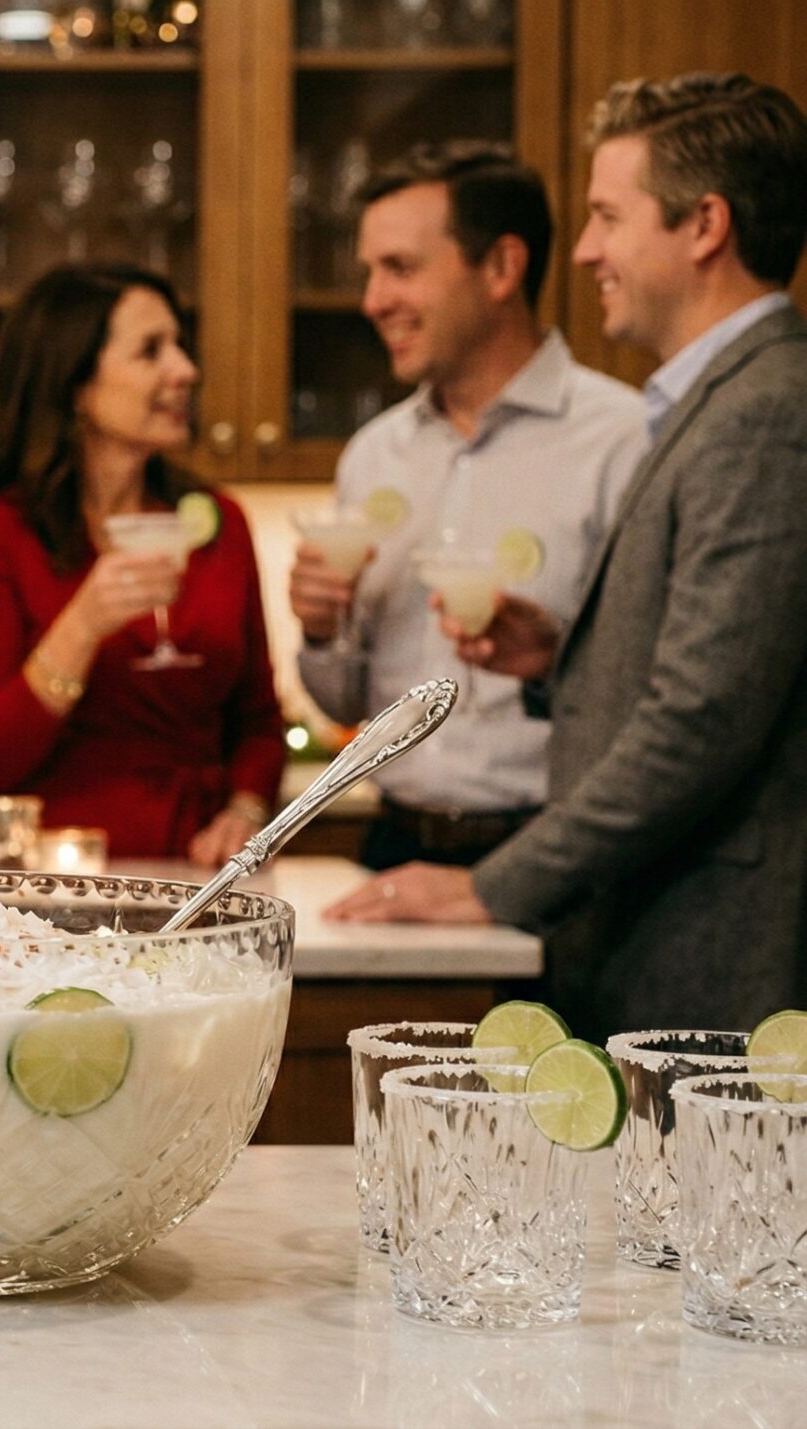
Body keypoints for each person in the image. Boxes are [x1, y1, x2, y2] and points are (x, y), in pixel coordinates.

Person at [330, 73, 807, 1035]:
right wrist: (559, 662)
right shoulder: (722, 404)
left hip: (708, 954)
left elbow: (700, 725)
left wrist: (489, 888)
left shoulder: (764, 413)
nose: (584, 249)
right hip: (648, 925)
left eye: (606, 216)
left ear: (704, 225)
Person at [293, 143, 646, 870]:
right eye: (369, 272)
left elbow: (659, 695)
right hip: (392, 844)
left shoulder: (626, 441)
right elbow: (345, 704)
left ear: (501, 267)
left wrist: (554, 656)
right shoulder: (374, 454)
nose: (372, 299)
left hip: (556, 857)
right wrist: (322, 631)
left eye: (400, 268)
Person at [0, 263, 283, 864]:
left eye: (179, 345)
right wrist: (84, 622)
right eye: (151, 351)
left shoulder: (217, 522)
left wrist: (245, 813)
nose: (187, 370)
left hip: (203, 878)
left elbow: (257, 719)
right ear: (74, 383)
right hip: (63, 888)